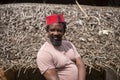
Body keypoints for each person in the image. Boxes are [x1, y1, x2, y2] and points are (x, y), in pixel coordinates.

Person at [36, 14, 86, 80]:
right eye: (52, 30)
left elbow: (80, 64)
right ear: (47, 31)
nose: (56, 33)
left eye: (59, 30)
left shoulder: (69, 45)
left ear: (64, 32)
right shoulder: (44, 53)